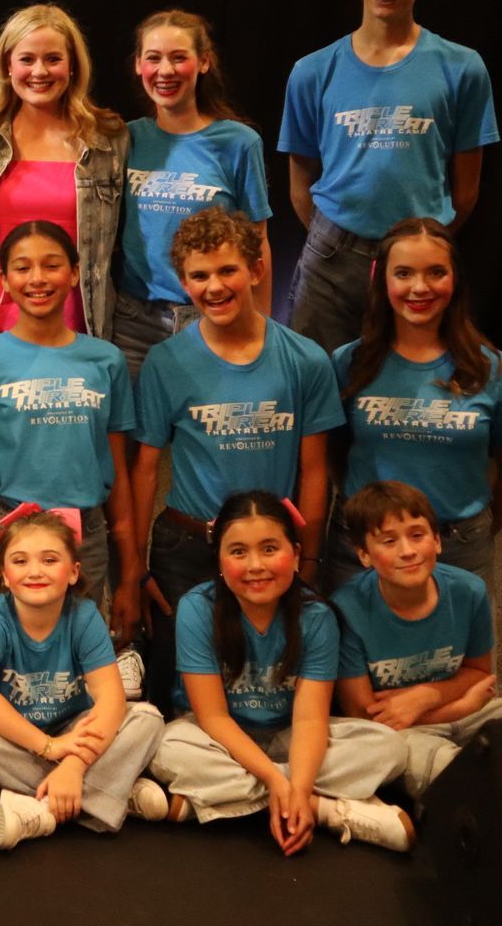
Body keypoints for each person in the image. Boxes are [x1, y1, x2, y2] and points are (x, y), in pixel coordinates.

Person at [280, 0, 498, 354]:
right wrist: (334, 238)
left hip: (420, 260)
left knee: (409, 390)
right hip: (331, 260)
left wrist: (423, 248)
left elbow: (467, 189)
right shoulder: (313, 71)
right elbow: (300, 182)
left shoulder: (462, 67)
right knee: (315, 388)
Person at [148, 492, 414, 854]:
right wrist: (277, 780)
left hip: (288, 734)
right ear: (220, 562)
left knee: (391, 747)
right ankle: (327, 811)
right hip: (216, 737)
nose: (255, 565)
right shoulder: (198, 608)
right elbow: (212, 716)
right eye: (238, 552)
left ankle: (214, 803)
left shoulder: (316, 616)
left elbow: (309, 721)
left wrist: (297, 786)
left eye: (270, 549)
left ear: (296, 554)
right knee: (166, 748)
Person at [133, 208, 342, 665]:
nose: (215, 287)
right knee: (177, 681)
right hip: (187, 547)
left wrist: (307, 561)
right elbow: (145, 468)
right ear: (183, 283)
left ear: (256, 270)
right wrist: (134, 565)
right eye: (199, 275)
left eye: (228, 270)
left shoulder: (305, 360)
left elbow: (314, 471)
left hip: (272, 548)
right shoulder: (166, 362)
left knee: (268, 678)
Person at [331, 481, 502, 798]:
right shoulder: (347, 608)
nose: (407, 551)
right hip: (404, 732)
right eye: (388, 541)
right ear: (364, 555)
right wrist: (461, 703)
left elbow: (479, 673)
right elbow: (365, 716)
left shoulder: (469, 590)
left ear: (437, 541)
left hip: (464, 712)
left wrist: (426, 697)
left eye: (417, 535)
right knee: (448, 772)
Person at [321, 218, 502, 590]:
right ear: (382, 280)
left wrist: (475, 528)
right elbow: (329, 454)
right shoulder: (348, 363)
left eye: (436, 272)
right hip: (362, 547)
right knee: (358, 648)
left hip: (458, 548)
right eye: (403, 273)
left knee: (455, 651)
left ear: (455, 280)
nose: (419, 287)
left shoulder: (491, 370)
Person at [0, 222, 136, 638]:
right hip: (5, 530)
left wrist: (131, 577)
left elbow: (118, 471)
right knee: (0, 665)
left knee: (80, 665)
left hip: (84, 534)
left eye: (51, 266)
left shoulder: (106, 361)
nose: (37, 279)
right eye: (22, 268)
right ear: (3, 279)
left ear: (73, 273)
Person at [0, 508, 164, 848]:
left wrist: (74, 765)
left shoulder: (83, 614)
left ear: (73, 572)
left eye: (49, 560)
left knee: (146, 719)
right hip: (16, 737)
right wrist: (49, 747)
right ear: (4, 575)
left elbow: (111, 697)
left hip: (73, 731)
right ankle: (111, 795)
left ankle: (41, 809)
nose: (35, 572)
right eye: (20, 561)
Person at [116, 10, 272, 379]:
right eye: (153, 58)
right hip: (132, 323)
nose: (165, 70)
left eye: (179, 57)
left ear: (203, 62)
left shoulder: (238, 143)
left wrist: (260, 326)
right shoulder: (123, 139)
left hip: (210, 316)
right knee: (142, 435)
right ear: (139, 65)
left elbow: (258, 242)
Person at [0, 4, 126, 346]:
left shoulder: (108, 136)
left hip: (78, 322)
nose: (39, 71)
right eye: (27, 59)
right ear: (8, 65)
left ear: (73, 66)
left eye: (53, 59)